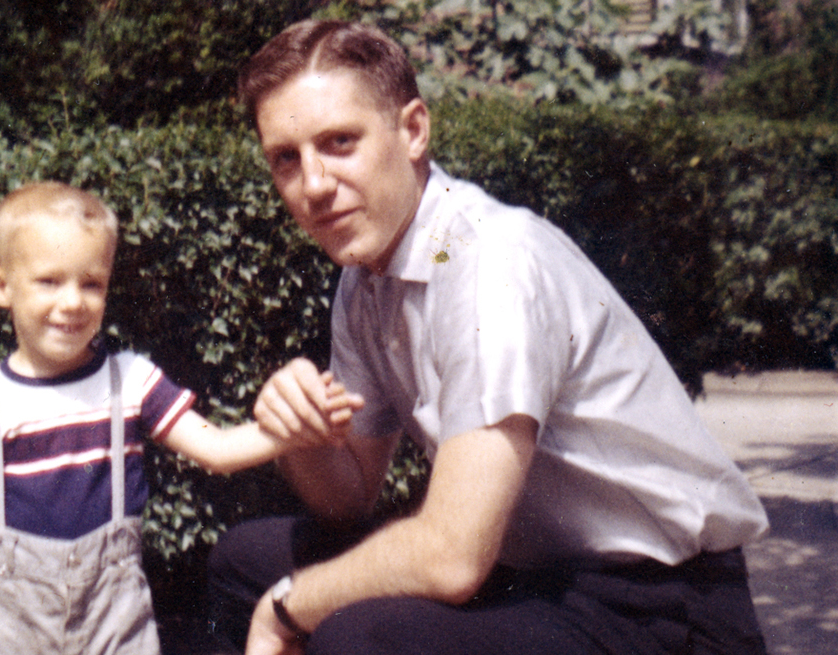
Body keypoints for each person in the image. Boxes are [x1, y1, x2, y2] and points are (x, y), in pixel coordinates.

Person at [206, 19, 771, 655]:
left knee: (357, 635)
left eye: (339, 142)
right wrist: (299, 434)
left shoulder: (488, 263)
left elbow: (451, 558)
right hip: (533, 578)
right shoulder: (365, 279)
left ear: (413, 130)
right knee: (244, 561)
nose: (312, 185)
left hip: (661, 608)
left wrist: (285, 610)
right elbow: (350, 502)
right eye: (286, 158)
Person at [0, 181, 350, 655]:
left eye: (91, 284)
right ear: (1, 286)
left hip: (114, 621)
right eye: (49, 281)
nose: (72, 302)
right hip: (9, 628)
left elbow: (217, 448)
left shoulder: (129, 382)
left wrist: (294, 431)